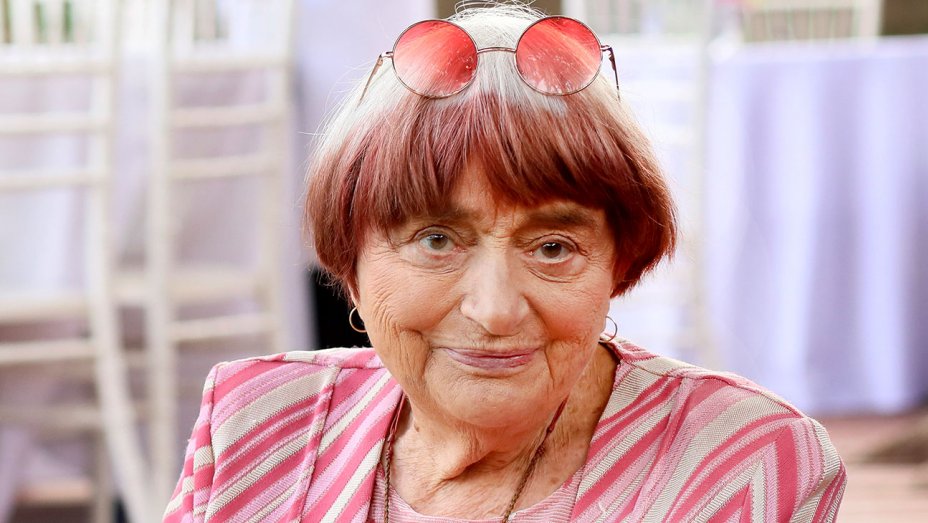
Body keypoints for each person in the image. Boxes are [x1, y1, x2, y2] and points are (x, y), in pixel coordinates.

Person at [163, 4, 845, 522]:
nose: (494, 310)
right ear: (350, 261)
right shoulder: (253, 424)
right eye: (437, 240)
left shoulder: (744, 464)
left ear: (620, 263)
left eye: (552, 247)